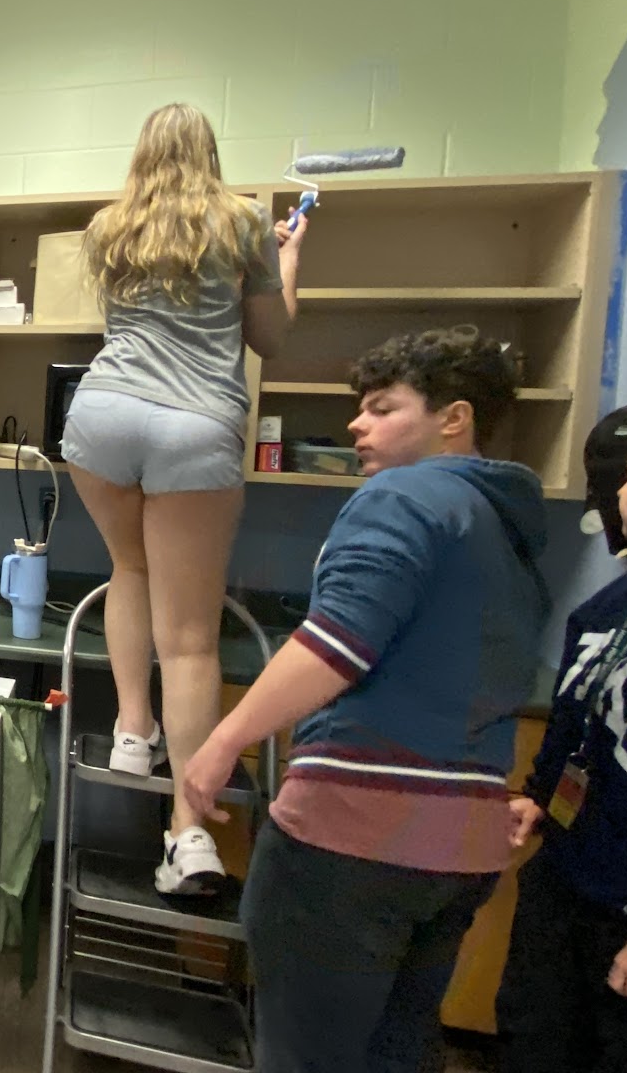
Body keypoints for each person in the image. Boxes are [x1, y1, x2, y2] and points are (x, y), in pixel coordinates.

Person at [180, 326, 548, 1072]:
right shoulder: (509, 528)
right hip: (461, 852)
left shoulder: (404, 495)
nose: (357, 424)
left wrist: (221, 742)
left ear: (455, 418)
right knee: (400, 1048)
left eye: (383, 407)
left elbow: (338, 642)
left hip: (354, 845)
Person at [59, 102, 306, 893]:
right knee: (193, 640)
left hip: (101, 416)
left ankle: (133, 729)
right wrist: (288, 258)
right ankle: (187, 834)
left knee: (128, 569)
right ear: (210, 153)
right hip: (194, 426)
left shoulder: (109, 226)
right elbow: (270, 337)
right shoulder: (245, 224)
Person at [495, 405, 627, 1072]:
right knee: (533, 1038)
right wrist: (539, 800)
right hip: (566, 882)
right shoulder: (607, 611)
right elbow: (577, 731)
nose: (620, 492)